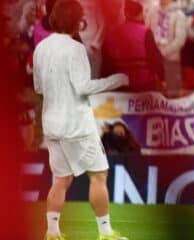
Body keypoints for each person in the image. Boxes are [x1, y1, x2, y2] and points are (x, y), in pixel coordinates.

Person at [33, 0, 129, 239]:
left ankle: (52, 232)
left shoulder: (41, 48)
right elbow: (83, 87)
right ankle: (105, 233)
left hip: (52, 124)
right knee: (98, 175)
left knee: (61, 179)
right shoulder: (76, 49)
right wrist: (116, 80)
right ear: (77, 20)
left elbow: (38, 87)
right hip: (76, 124)